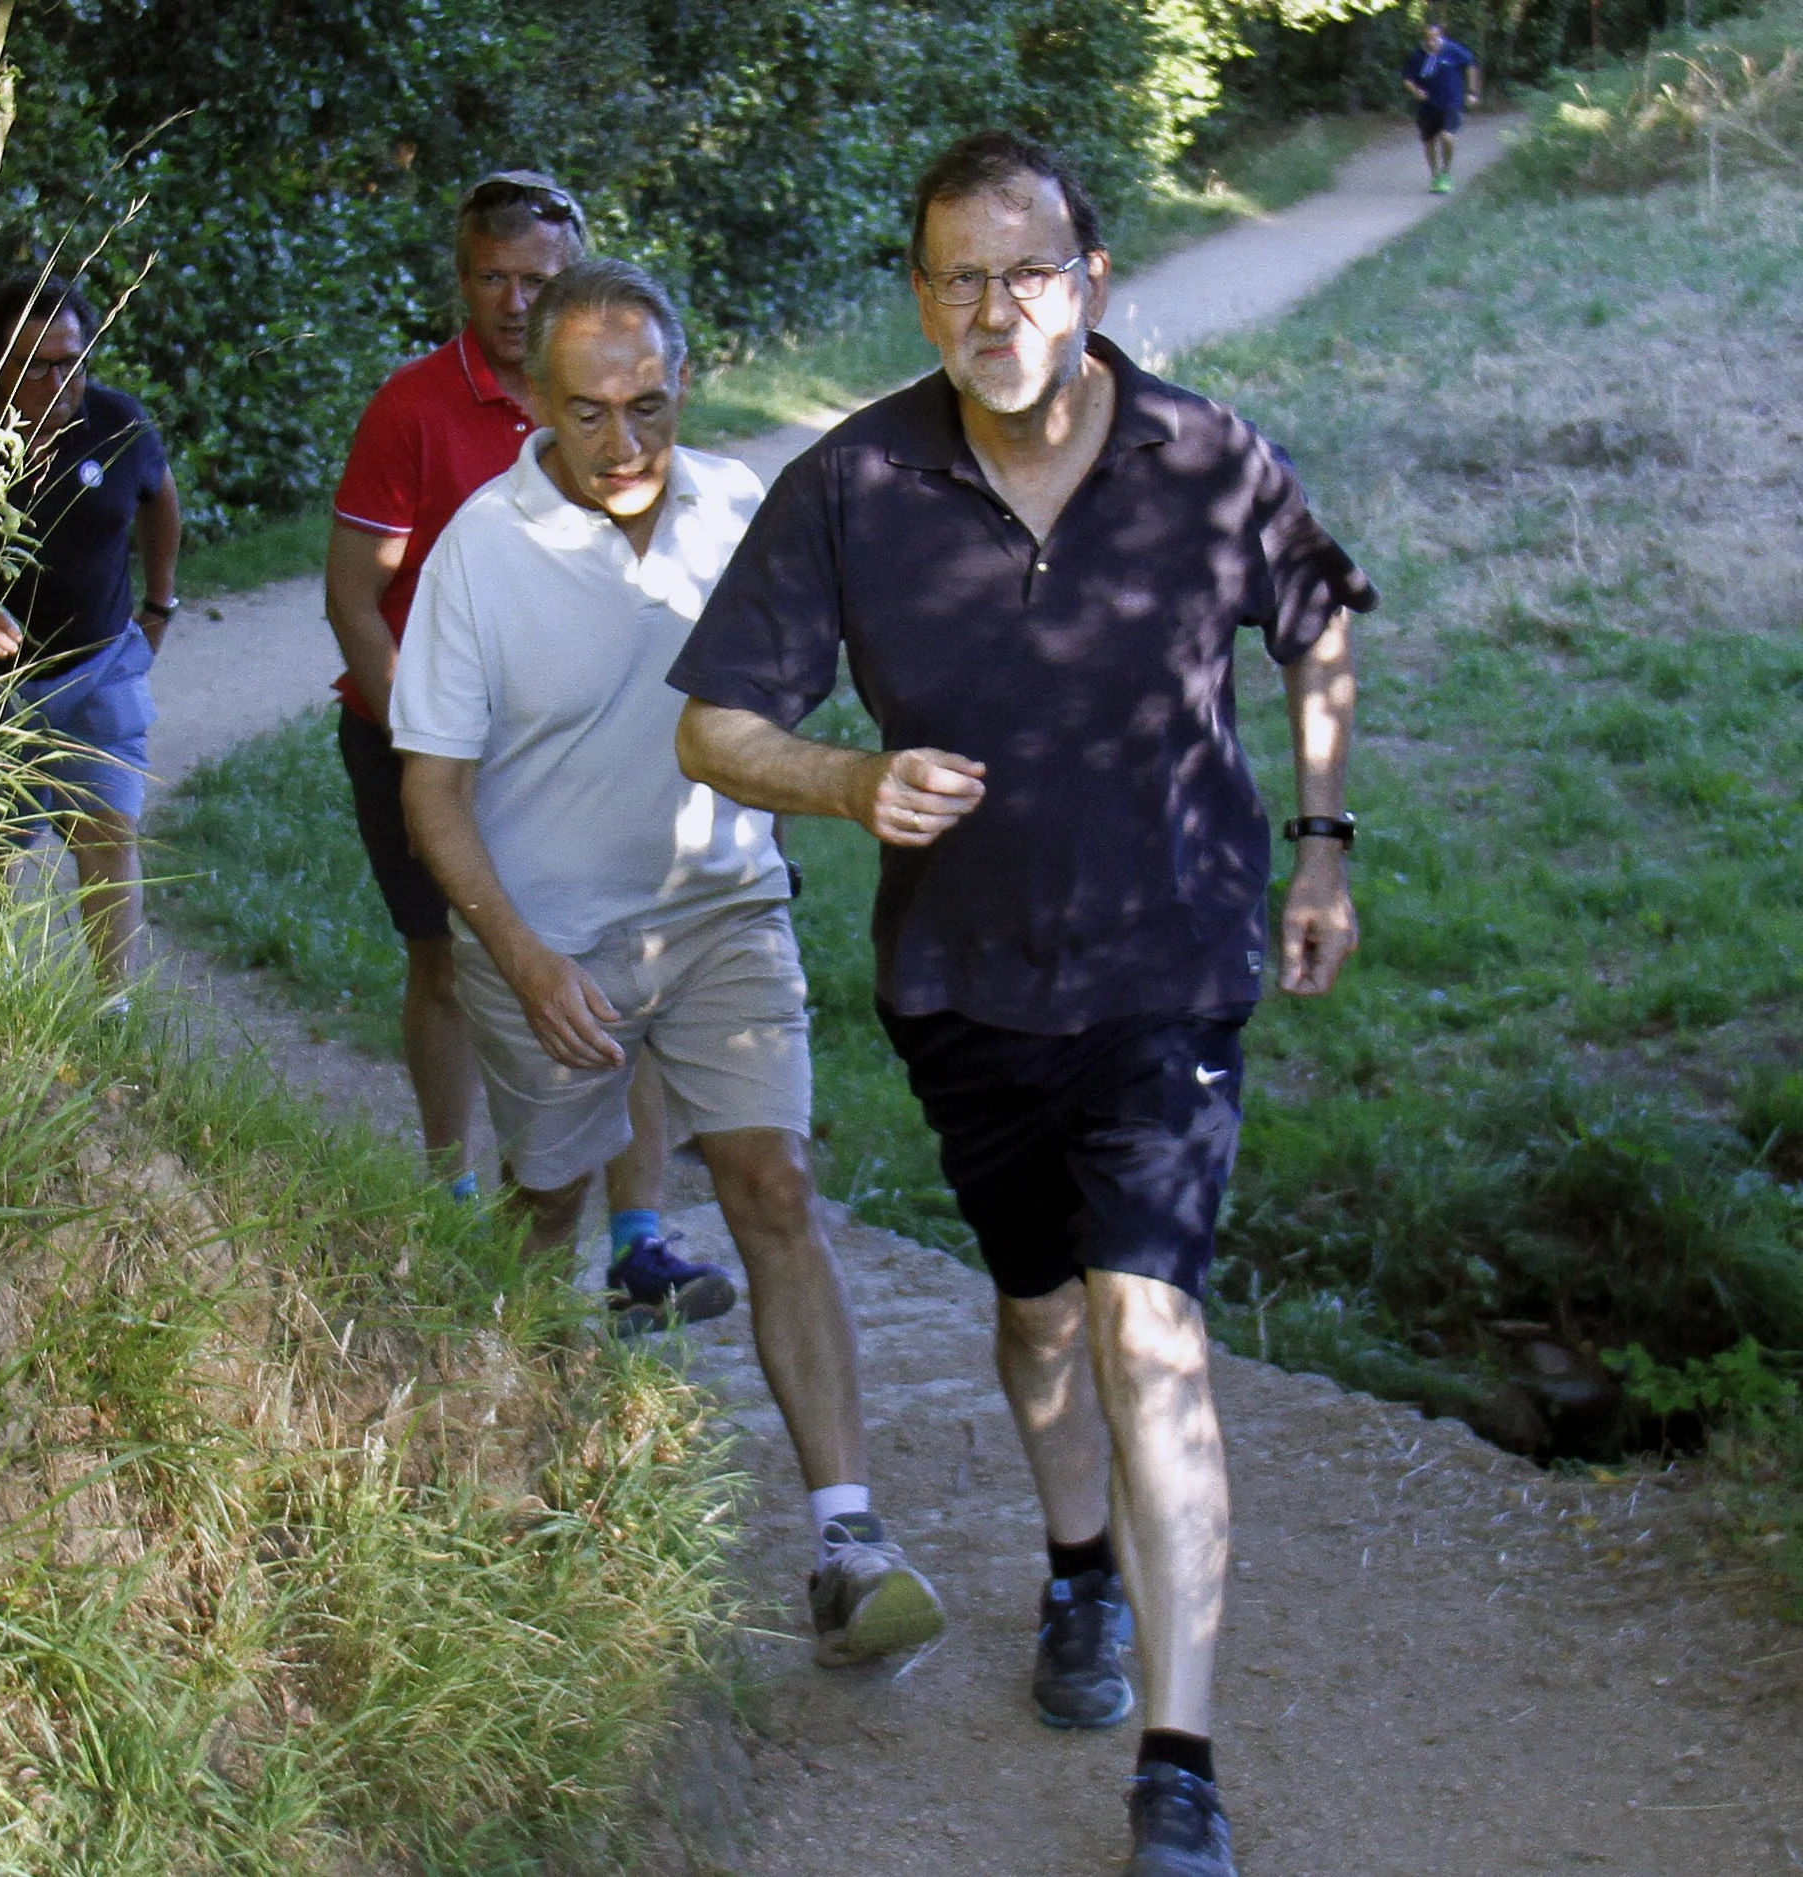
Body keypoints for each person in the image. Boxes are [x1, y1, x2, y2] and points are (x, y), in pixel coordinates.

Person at [670, 132, 1370, 1877]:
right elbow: (712, 722)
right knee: (1043, 1315)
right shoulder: (853, 480)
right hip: (966, 980)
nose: (995, 306)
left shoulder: (1208, 457)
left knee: (1150, 1325)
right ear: (920, 296)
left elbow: (1318, 627)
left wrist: (1325, 847)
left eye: (1027, 268)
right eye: (957, 276)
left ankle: (1180, 1764)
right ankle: (1078, 1576)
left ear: (1095, 277)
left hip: (1175, 954)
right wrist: (846, 781)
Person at [392, 258, 947, 1668]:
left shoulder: (741, 510)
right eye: (589, 415)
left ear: (684, 381)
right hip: (549, 935)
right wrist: (518, 958)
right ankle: (488, 1463)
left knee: (775, 1182)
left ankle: (846, 1537)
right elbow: (431, 793)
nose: (626, 447)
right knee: (550, 1199)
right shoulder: (477, 550)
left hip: (722, 906)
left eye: (649, 405)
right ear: (531, 398)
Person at [329, 172, 685, 1229]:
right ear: (463, 280)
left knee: (634, 962)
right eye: (493, 277)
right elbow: (356, 599)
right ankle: (450, 1180)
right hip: (415, 733)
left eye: (539, 276)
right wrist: (428, 739)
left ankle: (641, 1233)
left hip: (572, 741)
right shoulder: (412, 405)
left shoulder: (623, 399)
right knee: (445, 960)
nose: (517, 298)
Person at [0, 275, 182, 996]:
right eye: (39, 365)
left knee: (109, 833)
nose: (62, 381)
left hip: (101, 668)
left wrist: (161, 602)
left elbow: (162, 502)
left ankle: (110, 1006)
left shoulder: (118, 424)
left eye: (73, 361)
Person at [1403, 19, 1479, 194]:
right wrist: (1416, 91)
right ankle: (1435, 175)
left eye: (1434, 37)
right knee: (1429, 141)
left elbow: (1471, 66)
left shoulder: (1453, 51)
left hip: (1450, 102)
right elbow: (1407, 78)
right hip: (1427, 105)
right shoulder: (1418, 55)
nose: (1431, 42)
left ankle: (1446, 172)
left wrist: (1472, 92)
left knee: (1447, 137)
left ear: (1440, 36)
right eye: (1427, 38)